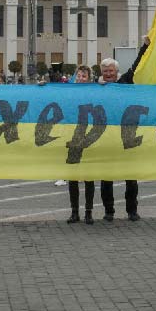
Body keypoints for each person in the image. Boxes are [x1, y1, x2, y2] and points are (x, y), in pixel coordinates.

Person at [98, 36, 149, 222]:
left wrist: (145, 46)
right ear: (102, 72)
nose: (108, 74)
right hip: (106, 138)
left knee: (130, 178)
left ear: (116, 71)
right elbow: (71, 91)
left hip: (127, 136)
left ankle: (132, 211)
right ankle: (109, 211)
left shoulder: (126, 81)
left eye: (111, 71)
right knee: (106, 178)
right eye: (105, 71)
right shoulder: (95, 88)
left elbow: (137, 65)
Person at [66, 65, 97, 224]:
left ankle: (88, 212)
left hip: (88, 137)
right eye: (78, 76)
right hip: (74, 137)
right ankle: (74, 212)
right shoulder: (69, 92)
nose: (80, 78)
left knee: (88, 177)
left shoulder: (94, 92)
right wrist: (43, 85)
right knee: (72, 177)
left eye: (84, 76)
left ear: (89, 79)